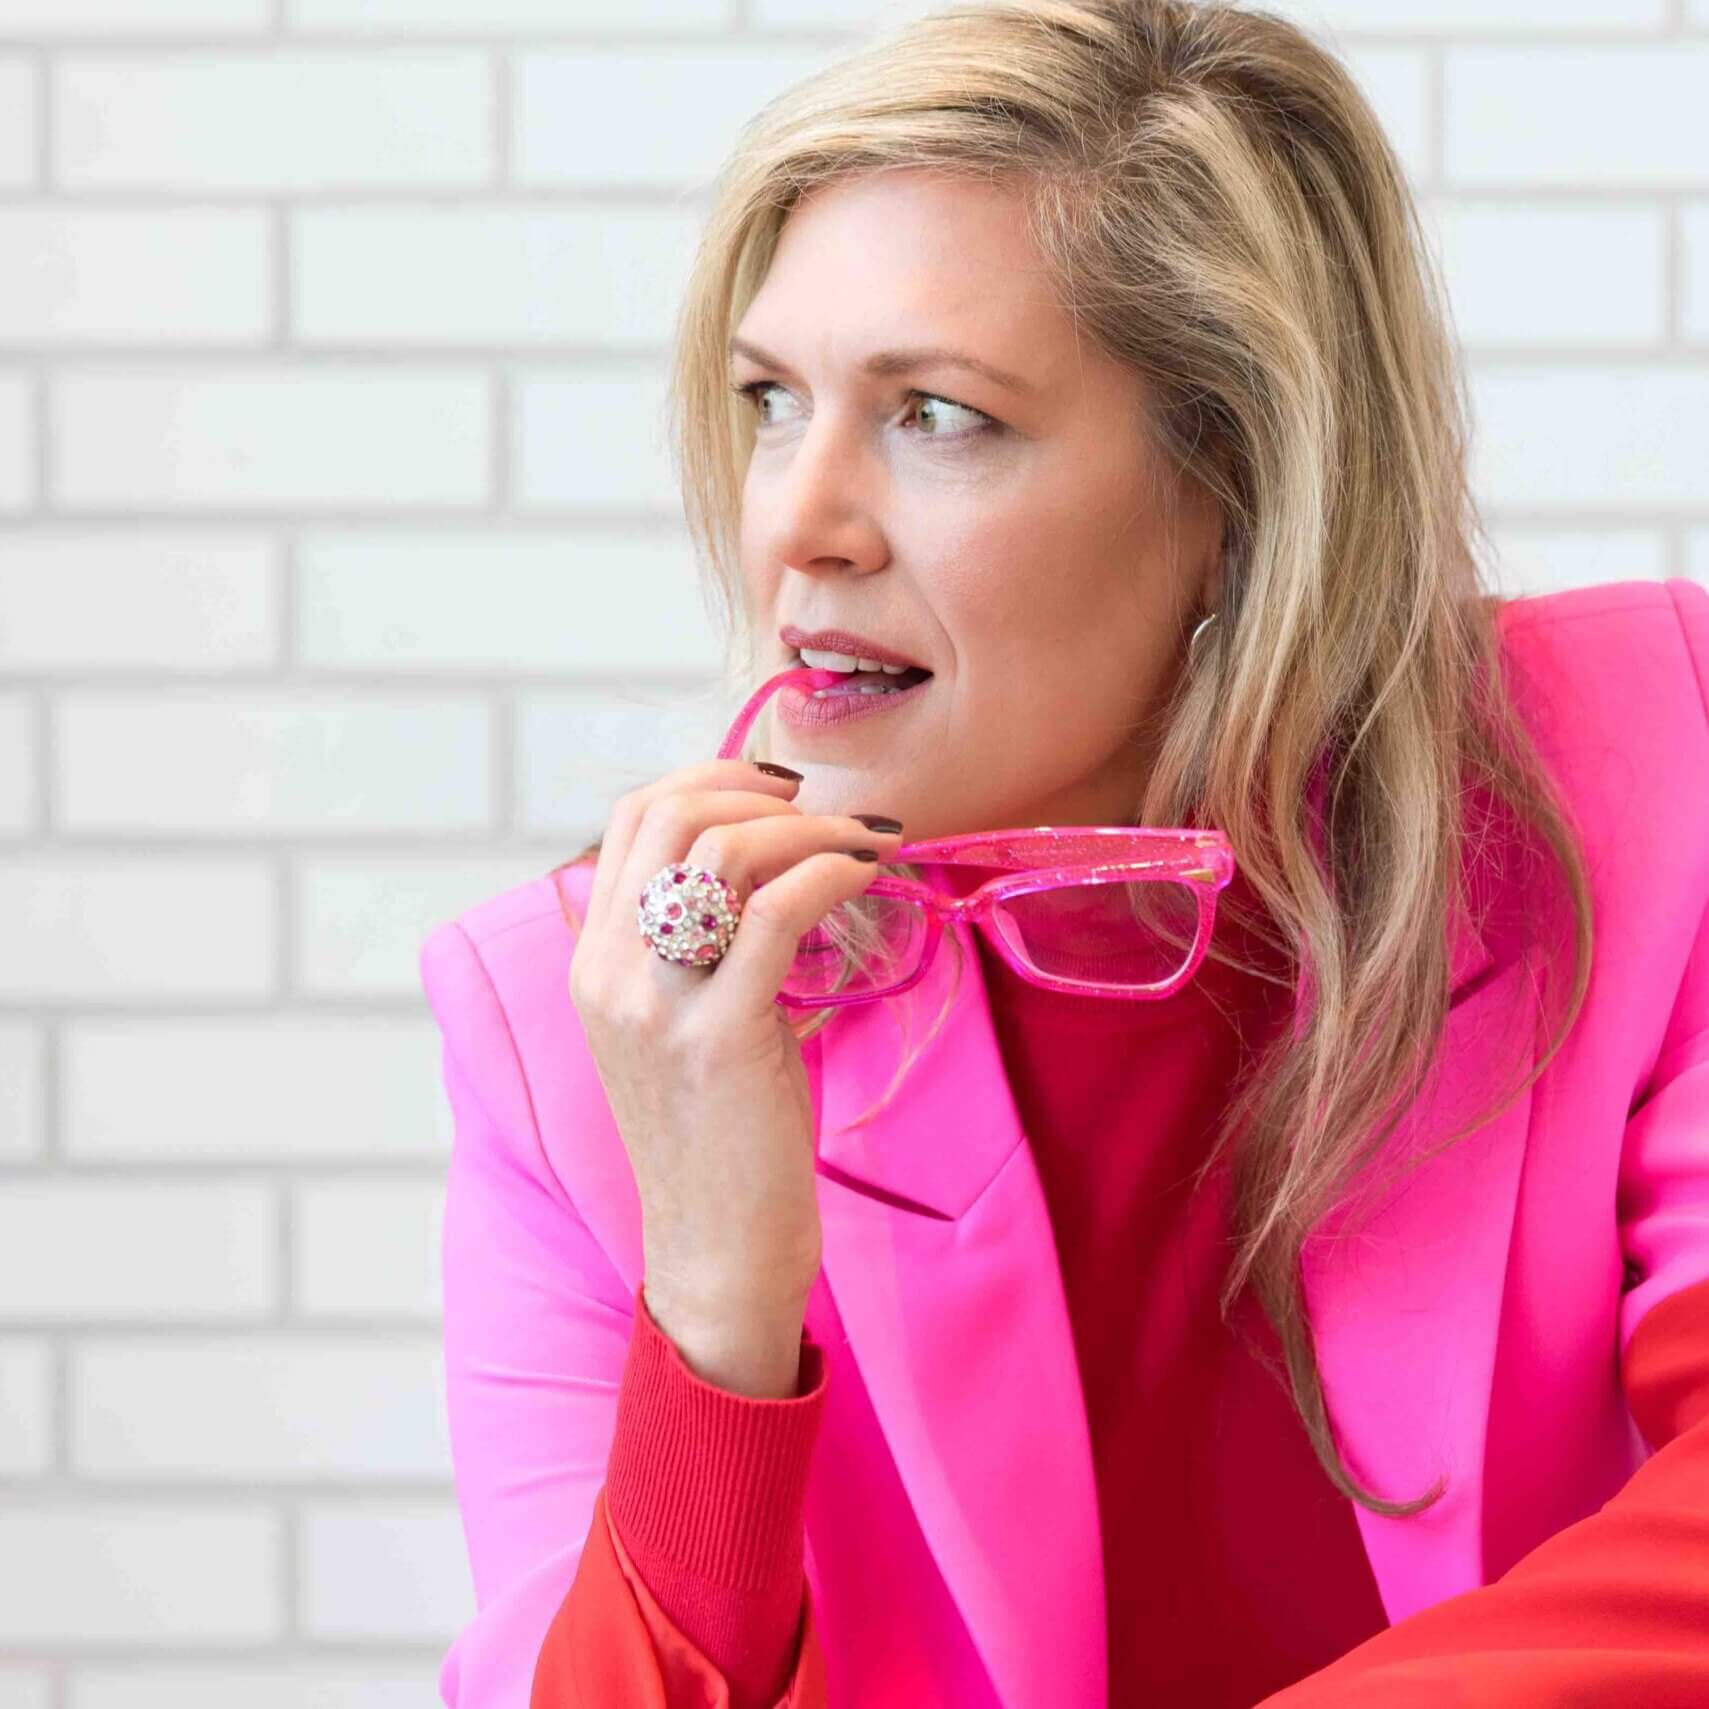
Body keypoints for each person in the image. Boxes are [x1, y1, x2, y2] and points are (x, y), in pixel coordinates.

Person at [419, 2, 1709, 1704]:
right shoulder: (589, 1024)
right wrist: (717, 1310)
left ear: (1236, 485)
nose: (796, 522)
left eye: (936, 415)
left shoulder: (1641, 763)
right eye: (769, 399)